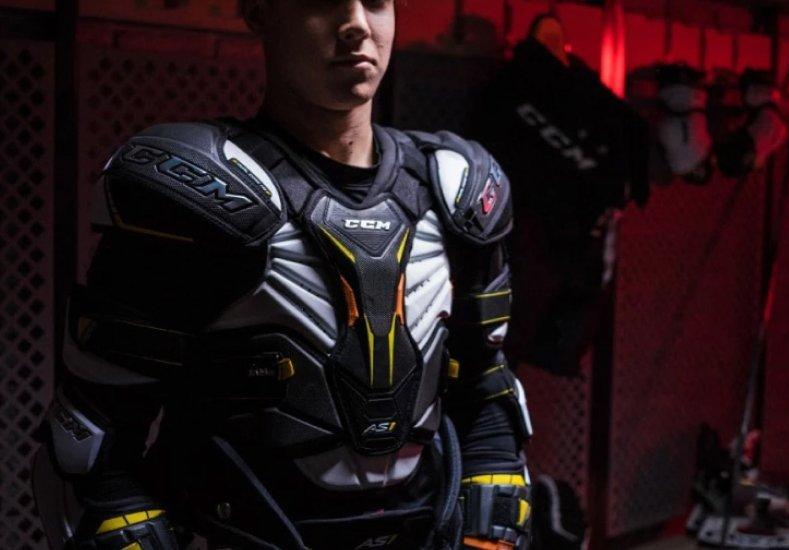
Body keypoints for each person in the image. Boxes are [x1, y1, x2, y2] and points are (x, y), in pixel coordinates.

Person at [34, 1, 532, 549]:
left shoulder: (454, 190)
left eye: (377, 2)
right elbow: (91, 445)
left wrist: (492, 528)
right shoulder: (191, 195)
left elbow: (487, 392)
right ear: (258, 11)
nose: (357, 26)